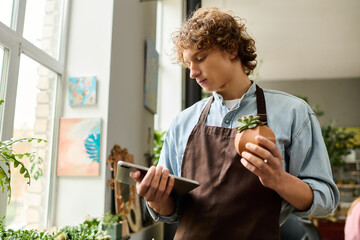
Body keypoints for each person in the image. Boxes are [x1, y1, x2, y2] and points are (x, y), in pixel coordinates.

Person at [130, 7, 339, 239]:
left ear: (231, 48)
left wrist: (279, 180)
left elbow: (325, 200)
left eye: (200, 58)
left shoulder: (293, 113)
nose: (193, 73)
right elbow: (172, 211)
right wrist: (156, 198)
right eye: (188, 64)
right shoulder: (182, 122)